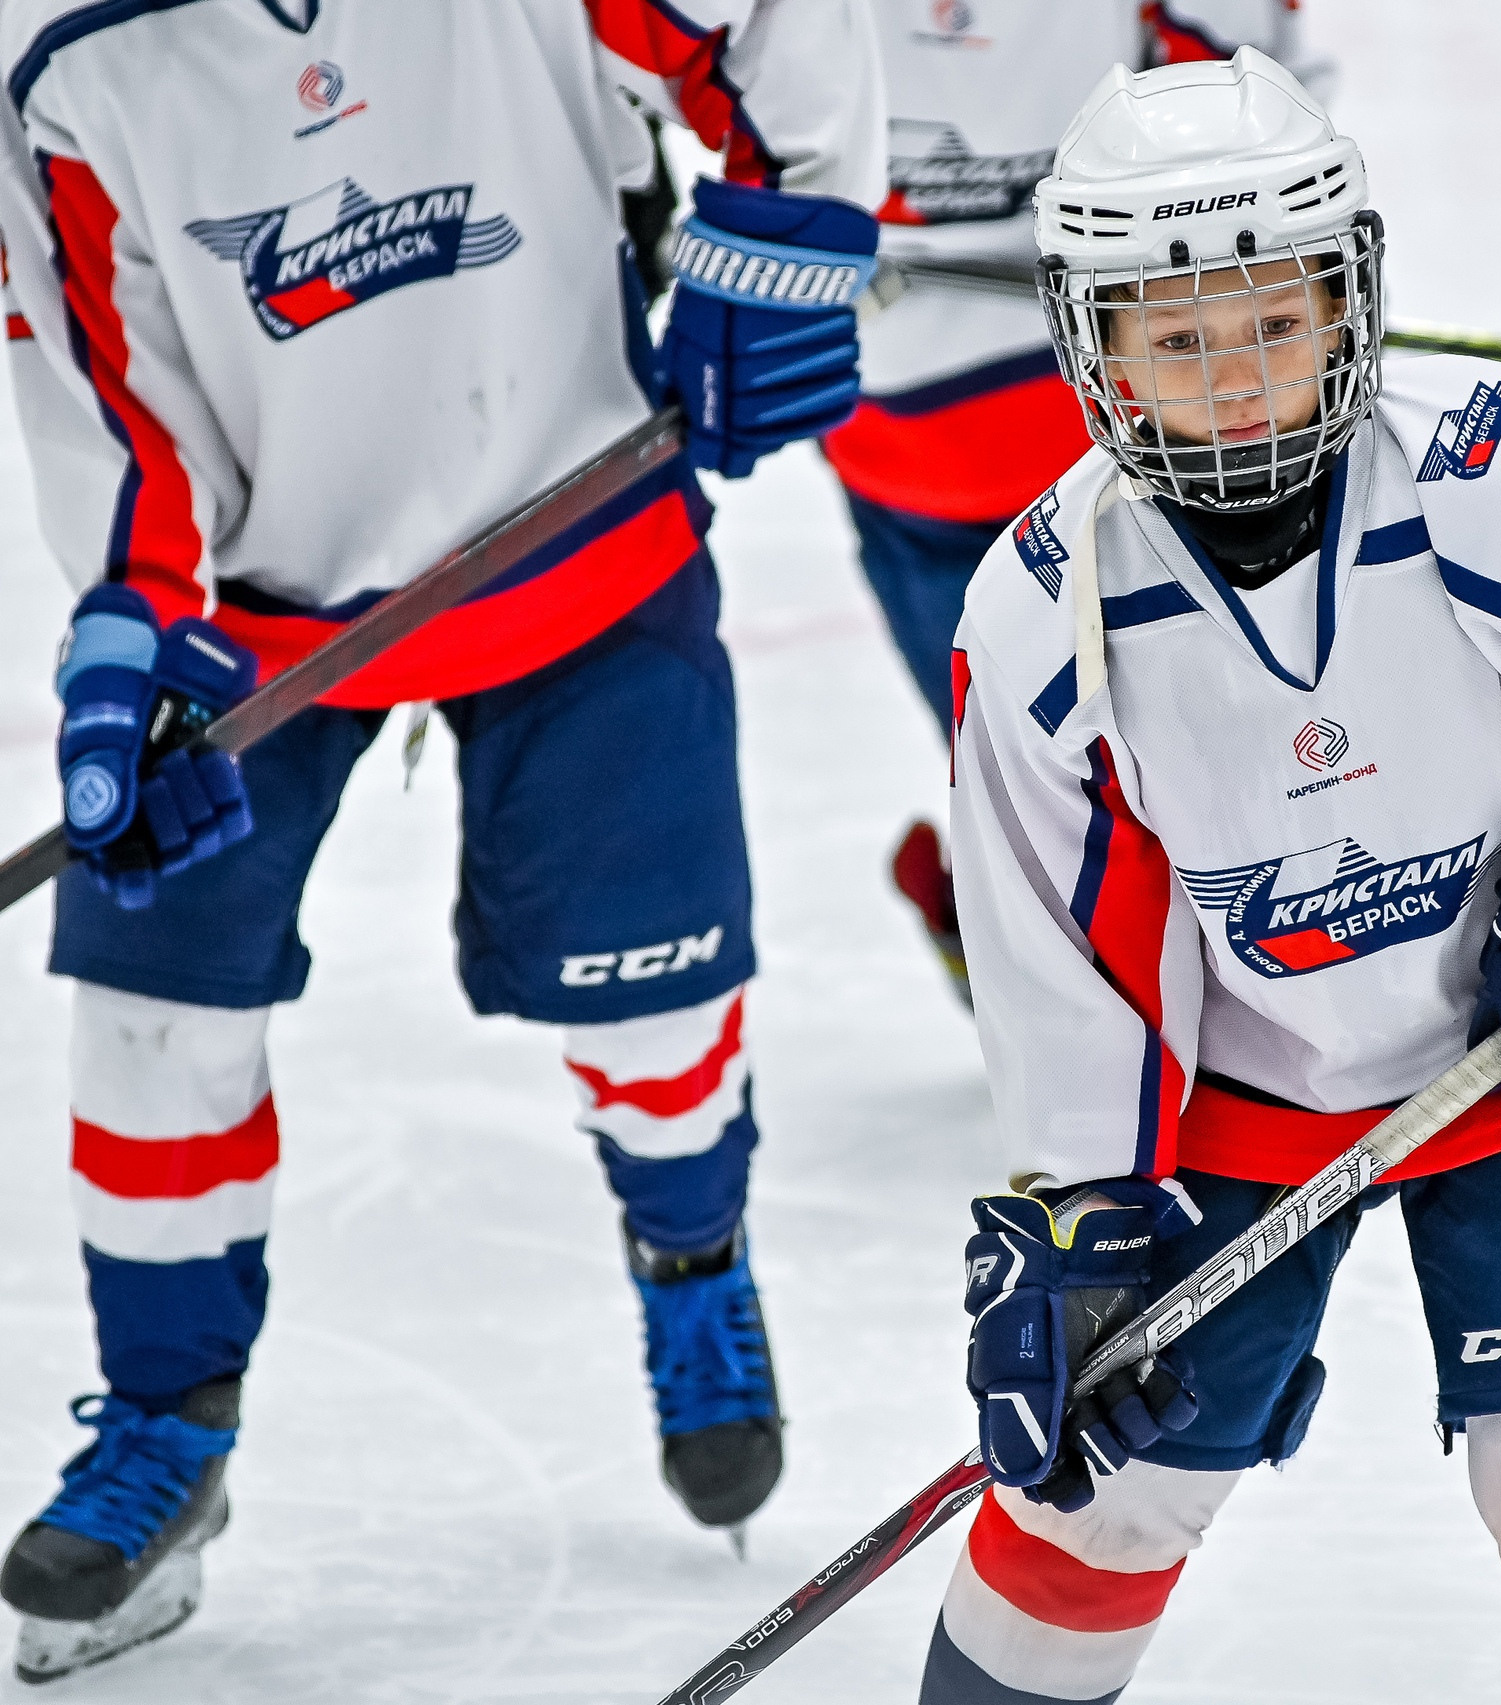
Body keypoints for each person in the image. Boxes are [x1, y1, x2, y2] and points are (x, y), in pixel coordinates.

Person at [0, 0, 886, 1679]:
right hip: (257, 622)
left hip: (581, 537)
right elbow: (115, 398)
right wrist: (134, 641)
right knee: (148, 1016)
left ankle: (690, 1250)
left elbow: (768, 22)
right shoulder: (64, 60)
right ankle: (167, 1420)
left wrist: (793, 221)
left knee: (651, 1008)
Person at [933, 48, 1501, 1705]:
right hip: (1247, 1094)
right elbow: (1071, 955)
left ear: (1350, 301)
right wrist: (1080, 1208)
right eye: (1180, 341)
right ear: (1095, 347)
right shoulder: (1043, 617)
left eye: (1275, 321)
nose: (1241, 377)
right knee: (1102, 1493)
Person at [824, 0, 1326, 1001]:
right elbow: (1253, 116)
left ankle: (1047, 931)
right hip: (1142, 399)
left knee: (1037, 754)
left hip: (923, 422)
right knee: (1243, 739)